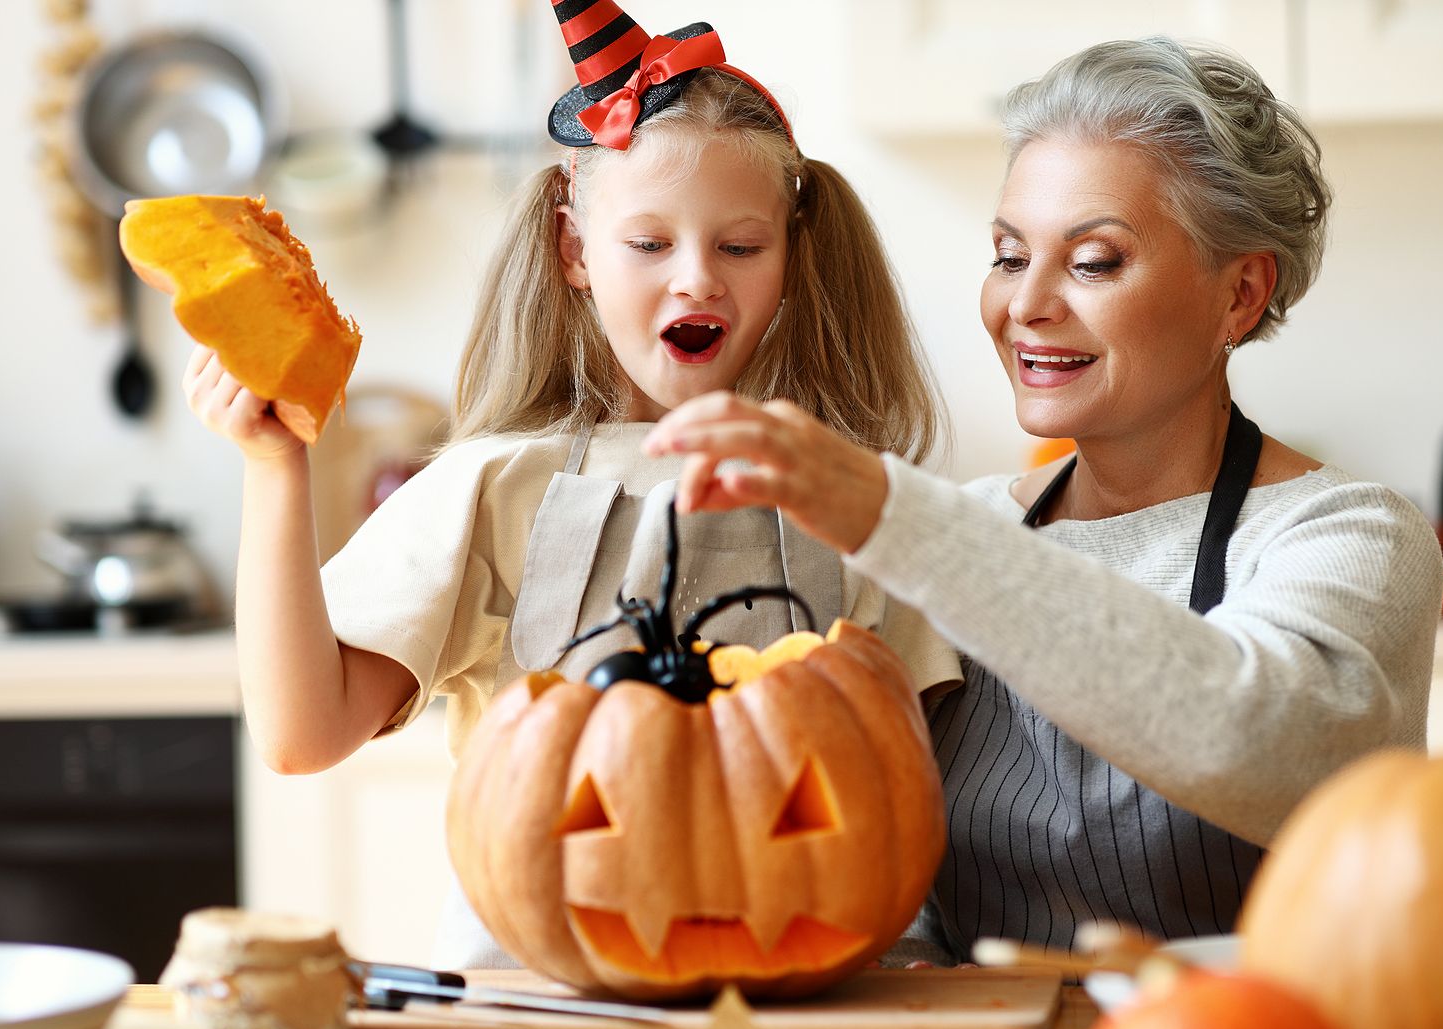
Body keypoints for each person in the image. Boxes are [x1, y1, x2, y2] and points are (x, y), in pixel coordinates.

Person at [182, 1, 957, 967]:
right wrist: (273, 466)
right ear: (574, 252)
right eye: (649, 244)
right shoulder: (491, 488)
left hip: (810, 992)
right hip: (539, 999)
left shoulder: (857, 499)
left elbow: (921, 783)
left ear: (792, 259)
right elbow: (302, 734)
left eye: (740, 246)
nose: (696, 281)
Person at [644, 36, 1443, 962]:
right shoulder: (969, 526)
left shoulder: (1347, 535)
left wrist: (890, 516)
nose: (1027, 304)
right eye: (1009, 255)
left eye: (1094, 262)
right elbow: (871, 871)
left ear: (1240, 294)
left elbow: (1254, 735)